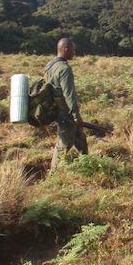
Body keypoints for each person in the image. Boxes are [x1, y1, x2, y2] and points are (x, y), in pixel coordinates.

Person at [46, 38, 87, 173]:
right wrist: (76, 115)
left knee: (80, 139)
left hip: (57, 110)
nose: (75, 53)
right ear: (66, 49)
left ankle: (86, 165)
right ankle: (53, 175)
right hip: (66, 113)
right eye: (73, 50)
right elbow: (69, 94)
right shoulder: (64, 69)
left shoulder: (50, 66)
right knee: (63, 145)